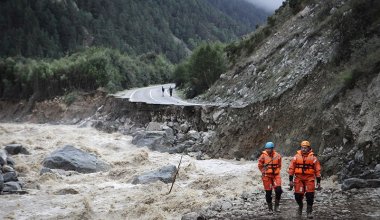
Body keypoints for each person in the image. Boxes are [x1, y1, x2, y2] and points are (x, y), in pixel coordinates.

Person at [288, 140, 321, 219]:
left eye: (305, 148)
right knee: (297, 196)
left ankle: (309, 211)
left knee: (310, 195)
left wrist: (319, 182)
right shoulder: (296, 157)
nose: (303, 149)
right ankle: (300, 206)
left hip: (309, 178)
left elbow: (317, 170)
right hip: (299, 178)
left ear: (309, 148)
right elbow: (291, 169)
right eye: (302, 148)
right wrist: (290, 180)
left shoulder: (313, 158)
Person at [258, 142, 283, 213]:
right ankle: (270, 208)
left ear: (272, 149)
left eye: (269, 149)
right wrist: (263, 171)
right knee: (268, 193)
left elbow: (279, 165)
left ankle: (276, 206)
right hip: (267, 176)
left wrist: (276, 171)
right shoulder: (263, 156)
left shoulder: (277, 155)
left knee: (278, 190)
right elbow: (260, 165)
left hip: (276, 175)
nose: (267, 150)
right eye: (266, 149)